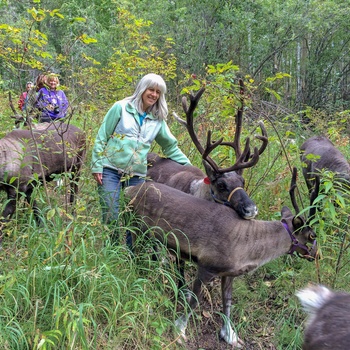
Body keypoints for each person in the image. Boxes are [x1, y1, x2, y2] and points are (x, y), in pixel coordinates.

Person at [91, 73, 191, 247]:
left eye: (158, 92)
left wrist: (190, 167)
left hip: (135, 174)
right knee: (110, 214)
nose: (154, 94)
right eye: (151, 90)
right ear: (142, 89)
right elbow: (102, 136)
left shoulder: (157, 120)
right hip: (110, 169)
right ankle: (112, 253)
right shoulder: (121, 107)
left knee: (134, 219)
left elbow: (170, 147)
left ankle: (131, 255)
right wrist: (96, 165)